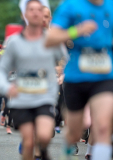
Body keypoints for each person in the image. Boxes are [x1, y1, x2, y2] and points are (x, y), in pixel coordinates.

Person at [0, 1, 67, 159]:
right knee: (28, 142)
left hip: (45, 97)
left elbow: (67, 61)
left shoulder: (52, 40)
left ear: (44, 16)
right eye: (31, 10)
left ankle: (42, 151)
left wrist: (62, 74)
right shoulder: (14, 41)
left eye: (39, 10)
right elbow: (1, 71)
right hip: (22, 99)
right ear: (24, 15)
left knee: (44, 136)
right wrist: (7, 88)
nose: (35, 13)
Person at [45, 0, 113, 159]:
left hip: (105, 77)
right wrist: (76, 31)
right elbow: (50, 38)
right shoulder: (70, 6)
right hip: (76, 77)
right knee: (77, 130)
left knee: (102, 126)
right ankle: (67, 149)